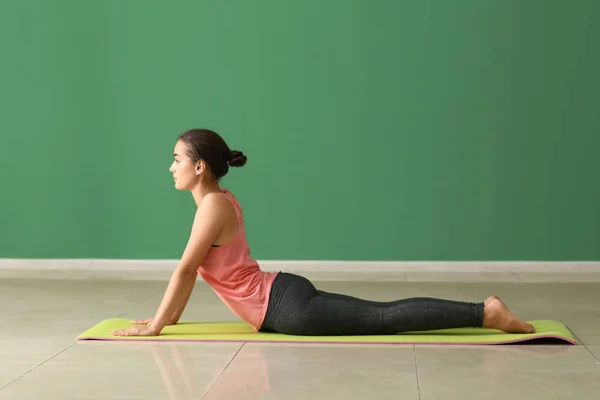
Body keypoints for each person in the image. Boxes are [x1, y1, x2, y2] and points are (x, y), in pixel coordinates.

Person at [111, 129, 535, 337]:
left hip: (283, 308)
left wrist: (157, 327)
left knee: (384, 318)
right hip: (282, 294)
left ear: (198, 166)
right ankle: (484, 310)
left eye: (176, 159)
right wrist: (165, 318)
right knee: (381, 312)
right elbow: (195, 272)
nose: (171, 166)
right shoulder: (216, 201)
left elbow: (186, 271)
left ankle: (485, 312)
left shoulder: (213, 206)